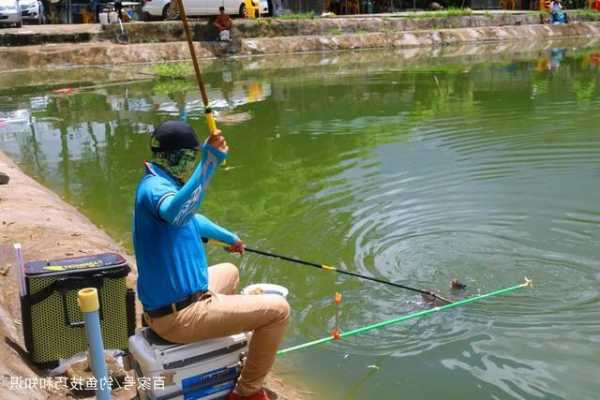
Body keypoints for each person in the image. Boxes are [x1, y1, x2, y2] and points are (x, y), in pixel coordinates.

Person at [133, 121, 290, 400]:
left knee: (229, 271)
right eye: (190, 157)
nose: (191, 163)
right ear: (176, 155)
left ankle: (216, 338)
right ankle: (247, 391)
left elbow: (192, 218)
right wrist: (209, 161)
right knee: (279, 311)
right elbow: (178, 213)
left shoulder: (160, 180)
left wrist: (229, 238)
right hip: (179, 316)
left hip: (171, 306)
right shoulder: (154, 190)